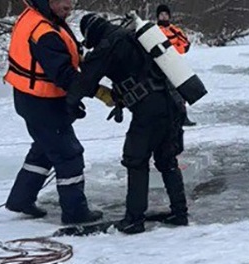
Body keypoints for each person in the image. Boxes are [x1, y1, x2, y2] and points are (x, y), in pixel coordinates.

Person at [70, 14, 188, 235]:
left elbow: (85, 83)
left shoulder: (107, 45)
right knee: (167, 159)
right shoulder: (133, 35)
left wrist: (70, 103)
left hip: (149, 110)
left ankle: (134, 220)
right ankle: (179, 213)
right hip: (173, 101)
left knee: (135, 159)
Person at [3, 0, 102, 224]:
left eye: (72, 1)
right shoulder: (44, 31)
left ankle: (21, 199)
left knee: (45, 149)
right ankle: (75, 212)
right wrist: (96, 91)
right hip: (41, 102)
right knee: (69, 154)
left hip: (33, 98)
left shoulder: (41, 17)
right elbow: (63, 73)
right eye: (64, 1)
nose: (69, 6)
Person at [155, 4, 195, 127]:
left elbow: (185, 45)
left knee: (179, 91)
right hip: (158, 65)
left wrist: (173, 50)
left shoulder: (175, 30)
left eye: (166, 14)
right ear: (158, 16)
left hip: (174, 64)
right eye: (161, 15)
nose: (163, 16)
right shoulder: (153, 30)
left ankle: (183, 117)